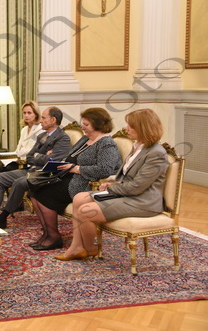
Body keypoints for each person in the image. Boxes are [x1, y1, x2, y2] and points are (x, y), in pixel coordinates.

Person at [54, 109, 169, 261]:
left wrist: (112, 188)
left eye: (130, 126)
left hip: (142, 201)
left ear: (142, 128)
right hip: (128, 194)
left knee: (85, 211)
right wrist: (113, 182)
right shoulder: (137, 146)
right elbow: (129, 177)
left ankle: (90, 249)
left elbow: (137, 187)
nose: (126, 128)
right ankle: (76, 246)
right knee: (79, 198)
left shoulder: (156, 153)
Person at [28, 108, 121, 251]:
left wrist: (77, 169)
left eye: (86, 124)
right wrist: (61, 163)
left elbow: (105, 169)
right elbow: (71, 156)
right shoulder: (85, 139)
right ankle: (47, 234)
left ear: (98, 124)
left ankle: (54, 237)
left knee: (44, 193)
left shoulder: (107, 143)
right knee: (34, 190)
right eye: (83, 123)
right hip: (68, 176)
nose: (82, 127)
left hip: (85, 183)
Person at [0, 107, 72, 229]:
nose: (40, 121)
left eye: (43, 118)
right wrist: (41, 156)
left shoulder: (63, 138)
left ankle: (3, 217)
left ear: (53, 120)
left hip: (45, 175)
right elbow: (29, 157)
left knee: (20, 182)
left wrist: (38, 156)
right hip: (32, 170)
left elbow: (53, 161)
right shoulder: (42, 135)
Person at [0, 100, 43, 172]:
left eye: (29, 113)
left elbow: (33, 151)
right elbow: (18, 149)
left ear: (36, 114)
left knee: (9, 168)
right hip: (20, 158)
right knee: (3, 166)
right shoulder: (24, 130)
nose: (26, 115)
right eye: (24, 113)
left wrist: (23, 150)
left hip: (31, 161)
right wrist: (22, 150)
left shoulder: (40, 129)